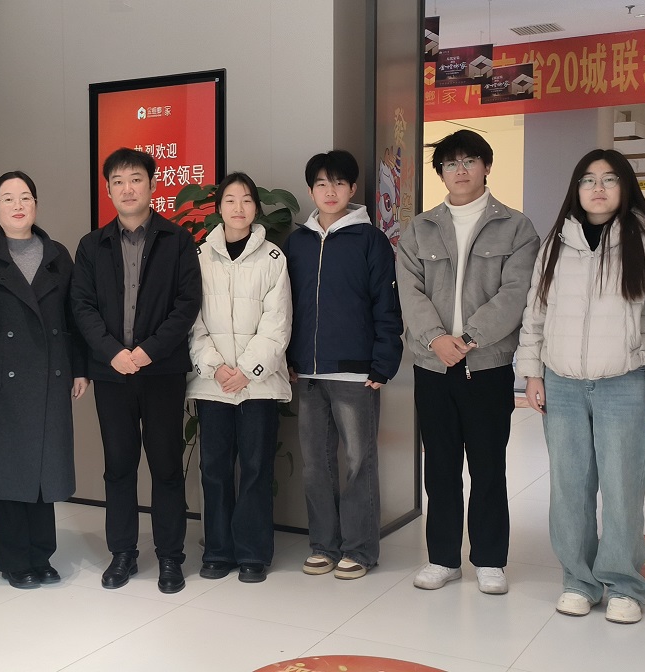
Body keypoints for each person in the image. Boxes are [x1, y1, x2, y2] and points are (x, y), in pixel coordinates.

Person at [516, 148, 645, 625]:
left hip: (625, 383)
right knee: (569, 488)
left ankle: (623, 584)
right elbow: (535, 313)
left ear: (625, 186)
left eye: (609, 179)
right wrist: (532, 373)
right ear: (576, 189)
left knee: (621, 489)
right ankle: (578, 580)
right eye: (588, 180)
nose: (597, 188)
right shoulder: (556, 243)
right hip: (563, 384)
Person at [398, 130, 539, 595]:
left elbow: (516, 293)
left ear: (486, 167)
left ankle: (490, 559)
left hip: (487, 365)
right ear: (440, 172)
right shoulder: (420, 229)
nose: (460, 170)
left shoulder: (516, 228)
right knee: (439, 466)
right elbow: (410, 292)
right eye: (450, 163)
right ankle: (442, 558)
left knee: (487, 465)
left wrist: (469, 338)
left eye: (469, 161)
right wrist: (436, 339)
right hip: (433, 365)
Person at [71, 147, 202, 594]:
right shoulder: (91, 246)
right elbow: (82, 306)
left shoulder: (177, 240)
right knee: (119, 466)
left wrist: (146, 352)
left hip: (161, 372)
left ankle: (170, 557)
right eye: (118, 181)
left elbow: (187, 304)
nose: (127, 189)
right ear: (108, 190)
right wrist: (113, 353)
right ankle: (122, 552)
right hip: (112, 374)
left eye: (136, 179)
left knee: (166, 466)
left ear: (152, 184)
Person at [0, 171, 89, 589]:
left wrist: (80, 368)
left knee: (44, 473)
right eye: (8, 198)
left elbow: (75, 318)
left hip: (49, 377)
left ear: (36, 205)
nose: (17, 205)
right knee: (6, 474)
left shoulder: (57, 256)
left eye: (25, 197)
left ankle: (41, 556)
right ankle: (14, 560)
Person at [284, 149, 403, 581]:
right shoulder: (296, 242)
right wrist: (289, 359)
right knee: (316, 465)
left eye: (338, 183)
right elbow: (284, 308)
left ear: (352, 188)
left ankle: (359, 549)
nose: (329, 191)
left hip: (356, 373)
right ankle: (323, 545)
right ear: (311, 190)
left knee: (358, 462)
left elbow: (386, 306)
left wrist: (383, 363)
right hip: (308, 373)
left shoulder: (370, 240)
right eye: (321, 183)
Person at [187, 172, 293, 584]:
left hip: (257, 385)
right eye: (230, 200)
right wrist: (215, 368)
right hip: (213, 384)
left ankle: (252, 554)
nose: (238, 208)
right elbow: (192, 322)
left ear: (256, 208)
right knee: (214, 468)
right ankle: (217, 551)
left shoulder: (273, 259)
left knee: (255, 467)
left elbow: (278, 323)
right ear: (218, 207)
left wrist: (247, 371)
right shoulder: (199, 257)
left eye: (246, 200)